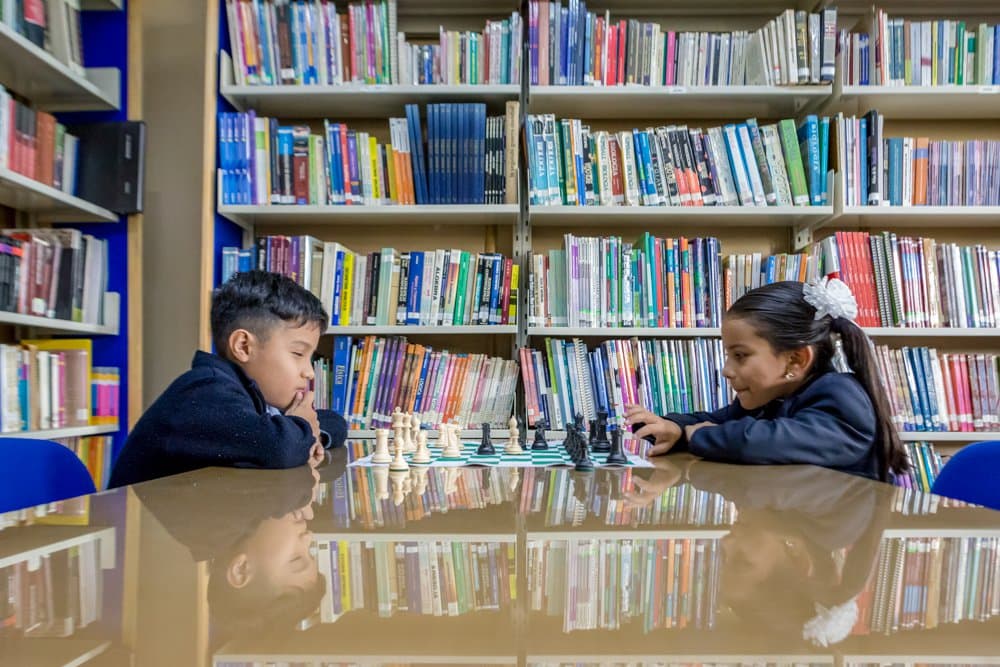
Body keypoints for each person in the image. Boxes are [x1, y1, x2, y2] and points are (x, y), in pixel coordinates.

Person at [625, 278, 908, 482]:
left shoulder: (840, 396)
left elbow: (765, 442)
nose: (726, 370)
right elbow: (718, 420)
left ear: (796, 360)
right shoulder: (774, 396)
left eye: (740, 355)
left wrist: (697, 436)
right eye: (728, 355)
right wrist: (674, 428)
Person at [109, 271, 347, 487]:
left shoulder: (251, 394)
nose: (310, 372)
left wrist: (309, 432)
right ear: (243, 346)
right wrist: (303, 429)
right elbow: (279, 448)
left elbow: (334, 422)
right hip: (134, 522)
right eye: (298, 353)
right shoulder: (205, 392)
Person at [134, 465, 326, 639]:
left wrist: (300, 482)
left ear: (241, 569)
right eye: (310, 552)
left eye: (296, 559)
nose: (308, 537)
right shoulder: (229, 514)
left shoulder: (196, 510)